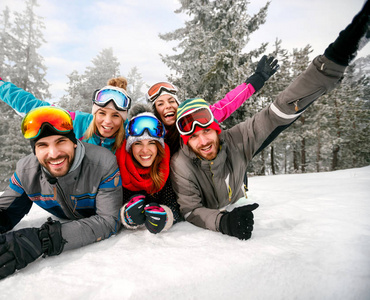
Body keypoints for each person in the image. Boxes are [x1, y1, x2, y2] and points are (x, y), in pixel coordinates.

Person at [170, 2, 370, 241]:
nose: (202, 140)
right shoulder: (181, 163)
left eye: (206, 131)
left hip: (235, 156)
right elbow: (191, 209)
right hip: (215, 191)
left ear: (216, 128)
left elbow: (275, 111)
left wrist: (333, 60)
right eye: (192, 136)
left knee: (279, 120)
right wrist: (223, 222)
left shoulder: (233, 139)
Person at [0, 106, 123, 281]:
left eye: (61, 141)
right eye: (43, 145)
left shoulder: (102, 163)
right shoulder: (26, 172)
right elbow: (3, 220)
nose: (54, 154)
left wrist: (46, 239)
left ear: (74, 143)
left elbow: (108, 221)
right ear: (34, 150)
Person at [0, 56, 131, 153]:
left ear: (123, 118)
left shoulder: (131, 133)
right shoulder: (77, 122)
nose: (107, 121)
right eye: (102, 113)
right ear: (94, 113)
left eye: (115, 115)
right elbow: (32, 106)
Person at [145, 54, 279, 156]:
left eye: (171, 101)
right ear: (156, 111)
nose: (167, 106)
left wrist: (257, 79)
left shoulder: (197, 118)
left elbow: (228, 103)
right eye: (160, 104)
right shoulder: (150, 133)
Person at [115, 105, 183, 234]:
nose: (145, 150)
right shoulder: (117, 166)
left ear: (159, 147)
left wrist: (166, 216)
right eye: (138, 143)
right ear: (130, 147)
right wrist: (125, 214)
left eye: (151, 143)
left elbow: (174, 204)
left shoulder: (166, 166)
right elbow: (109, 207)